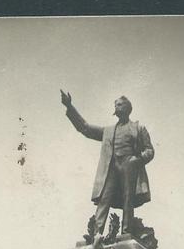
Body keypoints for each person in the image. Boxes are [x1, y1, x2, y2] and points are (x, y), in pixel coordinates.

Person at [60, 91, 154, 235]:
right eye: (115, 104)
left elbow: (149, 151)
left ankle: (126, 232)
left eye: (120, 104)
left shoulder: (138, 128)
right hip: (112, 168)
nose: (116, 106)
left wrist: (137, 160)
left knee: (128, 200)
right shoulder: (108, 131)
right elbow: (85, 128)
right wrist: (70, 106)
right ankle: (96, 234)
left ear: (128, 108)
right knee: (104, 199)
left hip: (129, 165)